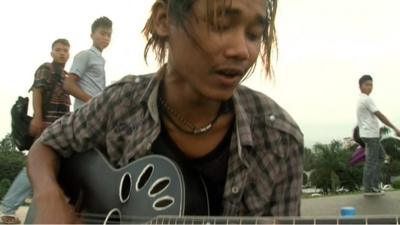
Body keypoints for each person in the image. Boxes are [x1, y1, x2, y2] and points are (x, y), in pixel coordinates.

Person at [27, 0, 304, 223]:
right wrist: (49, 196)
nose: (242, 50)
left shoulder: (279, 138)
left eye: (254, 35)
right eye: (221, 25)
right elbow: (45, 145)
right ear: (164, 19)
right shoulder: (121, 102)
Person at [0, 38, 71, 224]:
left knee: (51, 169)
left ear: (69, 54)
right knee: (34, 167)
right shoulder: (46, 69)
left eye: (65, 50)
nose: (62, 53)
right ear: (52, 53)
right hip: (46, 126)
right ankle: (8, 208)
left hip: (61, 130)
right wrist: (37, 117)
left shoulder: (67, 75)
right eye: (58, 49)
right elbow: (37, 92)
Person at [357, 74, 400, 196]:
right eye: (367, 85)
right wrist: (395, 128)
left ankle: (373, 185)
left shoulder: (361, 99)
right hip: (370, 135)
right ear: (360, 86)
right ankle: (369, 188)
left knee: (380, 157)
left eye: (371, 85)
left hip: (370, 134)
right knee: (371, 161)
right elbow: (379, 115)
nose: (370, 87)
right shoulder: (366, 99)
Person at [63, 16, 112, 110]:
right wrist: (93, 102)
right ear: (92, 35)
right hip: (85, 112)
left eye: (109, 35)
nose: (106, 38)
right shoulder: (85, 55)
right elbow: (68, 85)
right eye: (102, 33)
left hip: (96, 111)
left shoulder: (100, 59)